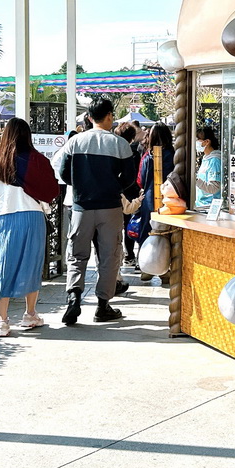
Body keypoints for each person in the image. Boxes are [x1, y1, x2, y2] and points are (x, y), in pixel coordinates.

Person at [53, 99, 137, 326]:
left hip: (81, 207)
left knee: (77, 255)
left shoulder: (75, 142)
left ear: (89, 117)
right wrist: (113, 188)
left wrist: (81, 188)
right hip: (110, 207)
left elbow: (63, 174)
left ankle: (74, 298)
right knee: (109, 256)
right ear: (109, 116)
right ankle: (103, 305)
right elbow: (129, 178)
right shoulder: (120, 144)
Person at [0, 118, 59, 338]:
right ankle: (30, 313)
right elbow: (52, 190)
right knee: (31, 264)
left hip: (3, 218)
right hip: (32, 217)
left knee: (3, 265)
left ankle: (2, 321)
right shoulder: (39, 161)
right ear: (28, 136)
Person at [134, 123, 175, 255]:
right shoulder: (172, 154)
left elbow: (140, 180)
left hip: (148, 198)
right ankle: (165, 263)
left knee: (147, 229)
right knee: (168, 232)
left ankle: (144, 261)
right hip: (170, 199)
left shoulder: (147, 156)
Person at [116, 123, 141, 266]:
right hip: (131, 193)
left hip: (116, 192)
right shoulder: (134, 152)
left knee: (119, 226)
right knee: (131, 224)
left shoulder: (113, 150)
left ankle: (126, 255)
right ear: (132, 137)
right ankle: (130, 254)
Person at [194, 125, 222, 209]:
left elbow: (214, 188)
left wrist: (195, 180)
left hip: (209, 206)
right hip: (201, 205)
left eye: (198, 140)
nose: (196, 143)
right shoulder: (206, 158)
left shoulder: (214, 161)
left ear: (207, 142)